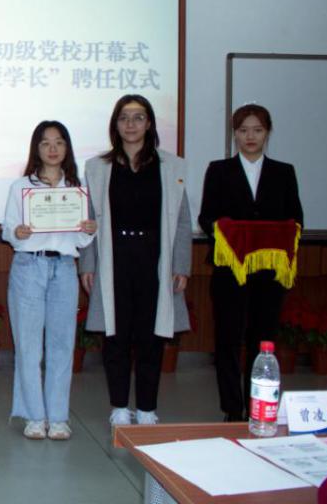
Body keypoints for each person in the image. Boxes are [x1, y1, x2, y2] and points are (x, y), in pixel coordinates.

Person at [79, 94, 191, 427]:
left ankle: (146, 408)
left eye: (138, 117)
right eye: (124, 117)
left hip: (155, 258)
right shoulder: (98, 167)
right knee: (115, 335)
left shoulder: (171, 166)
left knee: (151, 336)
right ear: (115, 124)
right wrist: (88, 264)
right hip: (113, 258)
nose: (131, 124)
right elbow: (87, 219)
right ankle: (118, 406)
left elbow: (182, 221)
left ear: (149, 123)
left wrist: (181, 265)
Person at [198, 104, 303, 421]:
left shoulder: (284, 172)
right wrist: (230, 231)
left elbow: (296, 218)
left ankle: (259, 405)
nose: (250, 137)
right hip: (230, 271)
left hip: (269, 273)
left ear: (267, 133)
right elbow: (206, 217)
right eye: (243, 131)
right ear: (235, 135)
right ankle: (232, 409)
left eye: (257, 130)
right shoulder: (219, 170)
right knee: (228, 340)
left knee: (263, 340)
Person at [2, 121, 96, 441]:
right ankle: (34, 416)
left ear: (67, 147)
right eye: (45, 143)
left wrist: (89, 229)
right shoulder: (21, 187)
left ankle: (57, 417)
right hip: (29, 266)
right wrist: (18, 232)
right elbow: (9, 229)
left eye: (59, 142)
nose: (53, 149)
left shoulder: (77, 188)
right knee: (28, 347)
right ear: (36, 148)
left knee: (62, 345)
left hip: (64, 268)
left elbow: (81, 240)